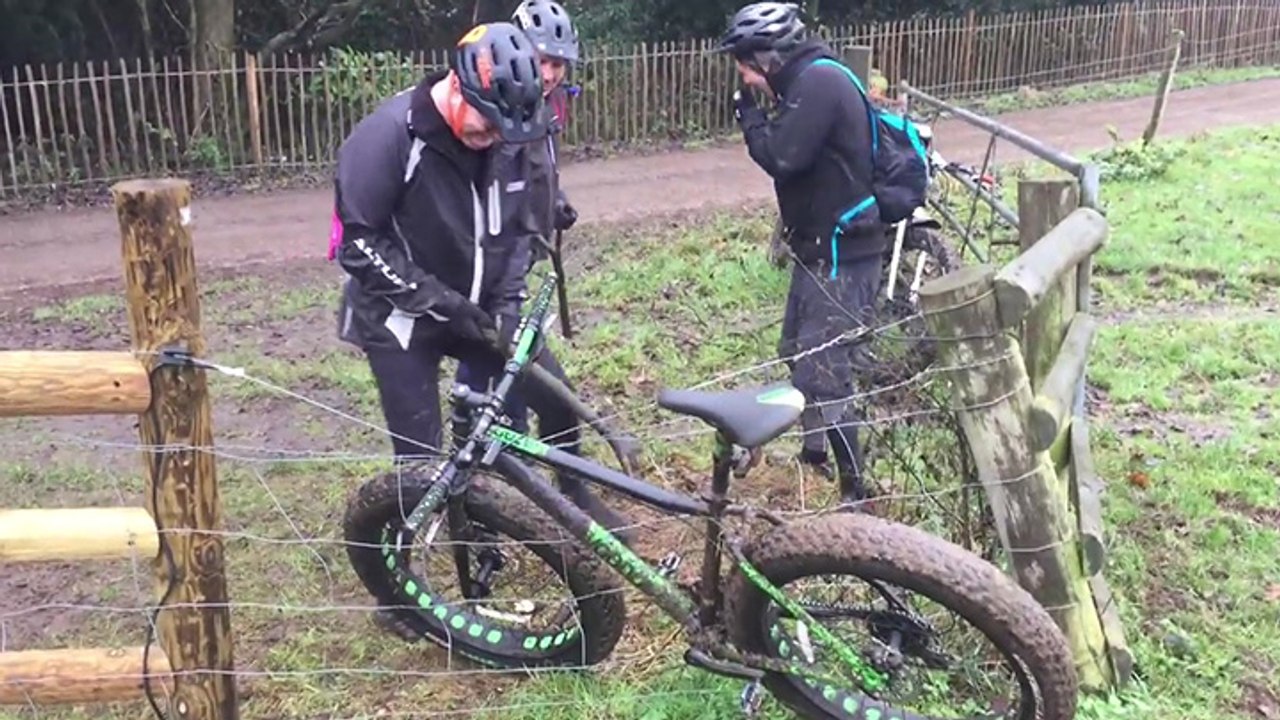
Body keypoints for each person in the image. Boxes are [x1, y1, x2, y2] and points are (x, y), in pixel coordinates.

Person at [332, 22, 627, 638]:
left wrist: (507, 305)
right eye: (485, 126)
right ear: (459, 86)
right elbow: (357, 243)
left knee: (553, 392)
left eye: (504, 133)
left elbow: (520, 228)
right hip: (402, 317)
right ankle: (399, 590)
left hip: (480, 309)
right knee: (418, 461)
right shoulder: (389, 136)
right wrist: (440, 302)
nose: (492, 140)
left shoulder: (507, 138)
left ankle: (572, 498)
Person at [715, 2, 884, 508]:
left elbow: (784, 157)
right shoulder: (805, 82)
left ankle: (856, 489)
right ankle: (815, 451)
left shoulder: (818, 84)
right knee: (797, 351)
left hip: (844, 251)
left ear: (767, 57)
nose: (744, 78)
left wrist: (748, 118)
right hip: (820, 247)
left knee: (825, 371)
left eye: (745, 67)